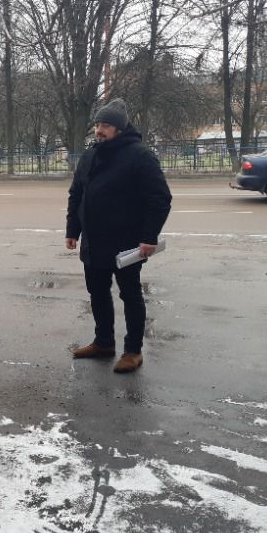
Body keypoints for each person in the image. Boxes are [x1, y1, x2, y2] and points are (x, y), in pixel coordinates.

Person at [65, 98, 172, 373]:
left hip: (126, 244)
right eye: (98, 124)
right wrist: (72, 230)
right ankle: (103, 343)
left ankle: (133, 351)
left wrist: (149, 237)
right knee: (98, 293)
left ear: (120, 129)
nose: (99, 130)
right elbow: (77, 194)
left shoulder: (139, 156)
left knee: (131, 295)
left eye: (106, 125)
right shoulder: (91, 155)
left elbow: (160, 198)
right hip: (93, 241)